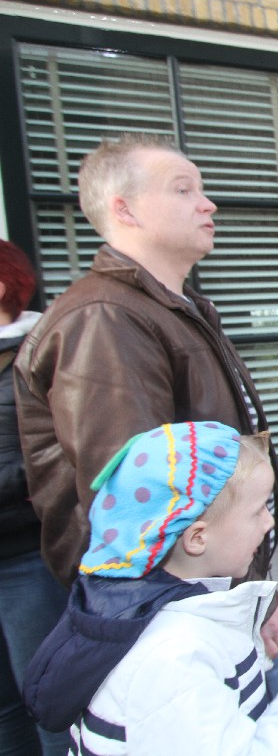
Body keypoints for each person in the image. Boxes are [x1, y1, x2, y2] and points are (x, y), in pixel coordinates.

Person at [15, 133, 278, 692]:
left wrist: (251, 591)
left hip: (213, 605)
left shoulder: (172, 309)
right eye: (183, 189)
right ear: (124, 209)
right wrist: (244, 601)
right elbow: (140, 510)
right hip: (181, 624)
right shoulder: (106, 319)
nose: (208, 204)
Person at [21, 422, 278, 754]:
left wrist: (253, 651)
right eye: (258, 510)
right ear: (197, 538)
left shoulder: (174, 615)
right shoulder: (171, 657)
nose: (269, 521)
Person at [0, 240, 71, 755]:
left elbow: (69, 450)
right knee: (5, 707)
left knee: (49, 698)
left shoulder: (40, 354)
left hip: (29, 558)